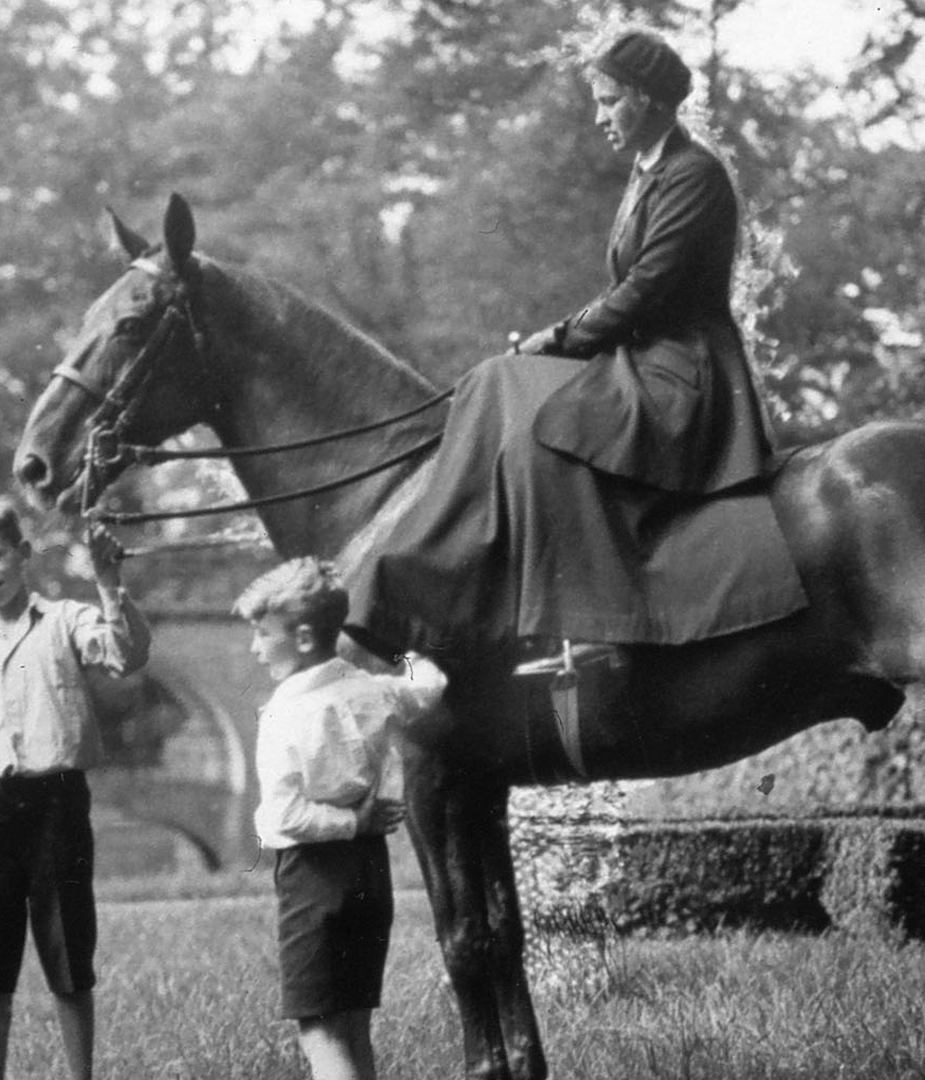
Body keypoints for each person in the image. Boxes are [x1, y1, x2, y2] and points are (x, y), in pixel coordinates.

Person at [347, 28, 800, 665]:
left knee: (541, 420)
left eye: (610, 101)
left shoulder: (693, 175)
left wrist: (558, 338)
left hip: (683, 374)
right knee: (493, 381)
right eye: (599, 101)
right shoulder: (651, 172)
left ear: (646, 99)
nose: (600, 117)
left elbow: (646, 289)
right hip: (642, 359)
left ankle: (593, 620)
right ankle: (432, 580)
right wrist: (553, 342)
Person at [0, 497, 153, 1080]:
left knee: (69, 955)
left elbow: (126, 655)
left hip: (56, 807)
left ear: (23, 554)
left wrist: (108, 584)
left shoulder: (66, 621)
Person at [233, 557, 446, 1080]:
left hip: (314, 878)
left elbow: (284, 814)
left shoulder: (284, 712)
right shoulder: (374, 691)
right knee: (353, 1027)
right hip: (370, 874)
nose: (255, 648)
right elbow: (429, 682)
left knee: (320, 1033)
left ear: (303, 638)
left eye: (263, 634)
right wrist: (398, 650)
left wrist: (351, 822)